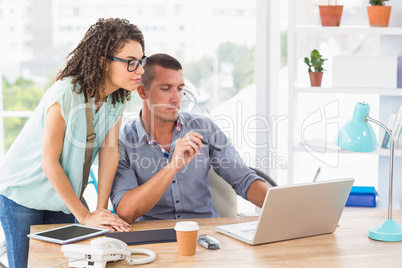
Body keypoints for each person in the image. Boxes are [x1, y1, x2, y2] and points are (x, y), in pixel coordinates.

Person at [0, 18, 145, 267]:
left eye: (141, 61)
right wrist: (85, 215)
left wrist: (100, 211)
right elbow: (49, 161)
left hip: (63, 196)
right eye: (131, 63)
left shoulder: (118, 100)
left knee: (68, 262)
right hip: (22, 193)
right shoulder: (66, 93)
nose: (140, 70)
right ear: (103, 62)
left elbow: (109, 153)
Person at [110, 53, 269, 223]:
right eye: (166, 89)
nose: (177, 99)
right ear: (142, 91)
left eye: (180, 89)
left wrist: (281, 207)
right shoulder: (123, 141)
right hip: (153, 235)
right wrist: (173, 166)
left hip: (206, 232)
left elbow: (244, 179)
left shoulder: (204, 128)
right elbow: (125, 211)